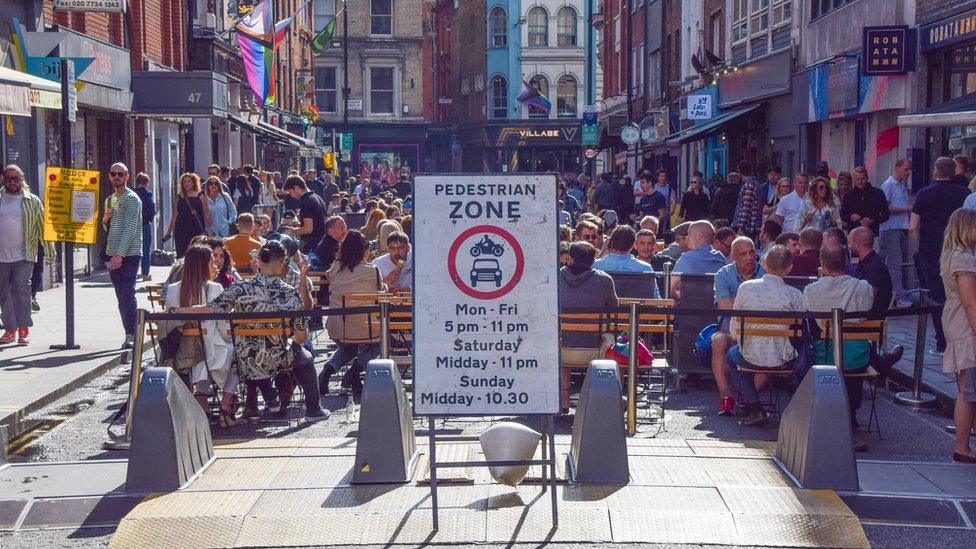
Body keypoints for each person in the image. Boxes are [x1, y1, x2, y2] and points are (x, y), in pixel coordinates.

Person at [182, 240, 328, 423]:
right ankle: (314, 410)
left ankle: (254, 404)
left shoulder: (239, 287)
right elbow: (301, 336)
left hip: (244, 359)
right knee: (305, 358)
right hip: (277, 359)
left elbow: (209, 308)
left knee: (252, 353)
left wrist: (177, 310)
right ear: (283, 264)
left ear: (258, 260)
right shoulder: (290, 294)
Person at [802, 242, 877, 443]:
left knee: (836, 351)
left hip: (824, 354)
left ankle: (830, 413)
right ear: (845, 261)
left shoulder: (811, 291)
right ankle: (850, 412)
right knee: (853, 353)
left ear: (822, 264)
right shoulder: (863, 287)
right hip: (858, 355)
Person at [727, 245, 805, 426]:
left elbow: (734, 327)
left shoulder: (745, 288)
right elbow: (801, 328)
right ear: (789, 268)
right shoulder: (795, 294)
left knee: (732, 356)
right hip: (784, 358)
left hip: (750, 356)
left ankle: (754, 405)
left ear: (764, 264)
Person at [163, 244, 237, 425]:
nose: (216, 265)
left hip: (182, 353)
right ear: (204, 265)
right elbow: (224, 329)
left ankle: (202, 403)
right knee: (239, 353)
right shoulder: (215, 289)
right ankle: (225, 406)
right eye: (213, 261)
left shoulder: (173, 289)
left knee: (202, 357)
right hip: (210, 353)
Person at [912, 156, 972, 354]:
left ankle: (942, 341)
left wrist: (918, 249)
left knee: (937, 296)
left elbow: (913, 227)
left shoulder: (924, 193)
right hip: (958, 247)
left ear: (935, 172)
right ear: (954, 171)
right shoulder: (964, 193)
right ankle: (961, 338)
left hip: (930, 250)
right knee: (960, 294)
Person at [319, 230, 387, 395]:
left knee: (348, 347)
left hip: (338, 325)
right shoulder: (373, 270)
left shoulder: (334, 269)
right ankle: (354, 372)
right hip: (366, 327)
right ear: (365, 251)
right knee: (383, 340)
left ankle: (328, 371)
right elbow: (382, 291)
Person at [558, 241, 619, 410]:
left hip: (560, 352)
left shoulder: (555, 278)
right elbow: (614, 310)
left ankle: (564, 397)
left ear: (570, 258)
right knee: (608, 335)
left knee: (562, 336)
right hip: (596, 351)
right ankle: (595, 399)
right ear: (593, 260)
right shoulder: (604, 280)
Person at [0, 165, 55, 346]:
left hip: (25, 254)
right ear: (3, 179)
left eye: (16, 178)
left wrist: (49, 252)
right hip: (1, 256)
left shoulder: (32, 201)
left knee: (22, 290)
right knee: (4, 293)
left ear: (22, 179)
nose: (12, 182)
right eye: (8, 179)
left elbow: (43, 229)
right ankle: (10, 330)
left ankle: (24, 329)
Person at [938, 209, 976, 462]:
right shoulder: (964, 258)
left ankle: (964, 445)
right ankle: (962, 447)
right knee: (969, 390)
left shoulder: (952, 254)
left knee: (969, 388)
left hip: (957, 322)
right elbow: (970, 301)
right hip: (966, 326)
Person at [711, 236, 764, 415]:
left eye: (751, 253)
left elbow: (768, 305)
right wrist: (751, 302)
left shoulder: (765, 272)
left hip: (759, 330)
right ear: (733, 256)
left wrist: (737, 301)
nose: (749, 257)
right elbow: (725, 308)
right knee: (718, 340)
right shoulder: (723, 274)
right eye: (743, 254)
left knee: (772, 345)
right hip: (730, 328)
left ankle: (747, 397)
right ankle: (726, 396)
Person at [102, 163, 143, 348]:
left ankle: (133, 334)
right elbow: (108, 228)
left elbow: (130, 228)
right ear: (109, 177)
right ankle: (128, 332)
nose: (116, 176)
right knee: (120, 296)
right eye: (113, 174)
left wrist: (120, 254)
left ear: (127, 176)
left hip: (130, 254)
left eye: (120, 174)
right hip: (113, 253)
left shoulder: (132, 199)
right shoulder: (110, 200)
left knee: (127, 293)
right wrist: (105, 219)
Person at [880, 159, 915, 308]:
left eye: (909, 170)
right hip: (890, 228)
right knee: (894, 263)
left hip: (901, 227)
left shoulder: (902, 186)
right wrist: (907, 209)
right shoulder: (888, 185)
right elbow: (885, 208)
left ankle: (898, 292)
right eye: (906, 169)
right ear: (898, 167)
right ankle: (898, 296)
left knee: (898, 262)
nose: (908, 173)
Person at [671, 220, 729, 298]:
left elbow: (670, 288)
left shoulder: (688, 257)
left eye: (689, 234)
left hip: (689, 306)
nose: (687, 238)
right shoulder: (720, 258)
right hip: (715, 307)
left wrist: (678, 296)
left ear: (699, 235)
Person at [164, 172, 213, 258]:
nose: (186, 183)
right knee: (182, 253)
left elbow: (206, 212)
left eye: (188, 181)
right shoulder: (179, 196)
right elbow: (175, 215)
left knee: (195, 252)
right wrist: (169, 231)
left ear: (193, 182)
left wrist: (211, 227)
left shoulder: (200, 195)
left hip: (195, 228)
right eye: (184, 182)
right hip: (181, 228)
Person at [850, 227, 893, 314]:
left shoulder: (875, 266)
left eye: (849, 243)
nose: (848, 246)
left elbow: (869, 299)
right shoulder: (864, 262)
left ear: (857, 244)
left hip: (870, 321)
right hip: (862, 316)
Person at [282, 175, 327, 254]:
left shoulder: (306, 202)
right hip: (322, 242)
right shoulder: (318, 198)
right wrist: (300, 224)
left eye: (291, 193)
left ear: (296, 188)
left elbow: (308, 229)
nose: (291, 196)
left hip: (312, 246)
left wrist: (294, 230)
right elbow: (319, 221)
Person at [841, 166, 889, 236]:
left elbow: (885, 215)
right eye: (857, 179)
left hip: (872, 234)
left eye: (862, 179)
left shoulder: (878, 193)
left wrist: (872, 221)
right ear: (853, 179)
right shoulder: (848, 195)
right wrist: (850, 217)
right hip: (854, 236)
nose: (860, 182)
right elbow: (842, 214)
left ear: (867, 178)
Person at [133, 173, 157, 281]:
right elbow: (152, 208)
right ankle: (145, 274)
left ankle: (132, 272)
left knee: (133, 249)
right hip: (144, 224)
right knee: (145, 249)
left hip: (132, 225)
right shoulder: (148, 193)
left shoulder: (131, 193)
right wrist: (150, 218)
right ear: (146, 183)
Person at [731, 160, 763, 239]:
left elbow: (746, 207)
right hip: (749, 226)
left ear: (739, 172)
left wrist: (741, 228)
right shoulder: (751, 184)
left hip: (747, 228)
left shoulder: (749, 186)